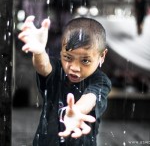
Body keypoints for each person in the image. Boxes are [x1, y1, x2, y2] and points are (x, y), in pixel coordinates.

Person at [18, 16, 111, 146]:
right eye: (68, 57)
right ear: (61, 51)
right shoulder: (56, 70)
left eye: (85, 60)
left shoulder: (100, 80)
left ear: (102, 56)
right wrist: (39, 52)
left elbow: (91, 97)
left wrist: (77, 110)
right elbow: (44, 66)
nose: (74, 67)